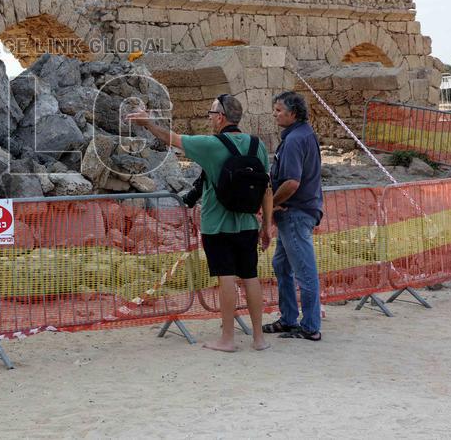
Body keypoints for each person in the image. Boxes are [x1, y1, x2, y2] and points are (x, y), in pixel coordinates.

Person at [127, 94, 273, 352]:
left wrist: (148, 123)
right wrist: (266, 226)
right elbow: (267, 190)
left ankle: (227, 338)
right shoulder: (256, 145)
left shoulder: (211, 145)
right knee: (251, 277)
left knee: (226, 278)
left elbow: (170, 137)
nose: (209, 118)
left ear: (220, 117)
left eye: (210, 113)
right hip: (249, 223)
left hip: (217, 225)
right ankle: (258, 338)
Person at [264, 91, 323, 342]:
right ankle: (289, 318)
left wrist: (271, 205)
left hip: (295, 213)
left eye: (279, 110)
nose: (275, 114)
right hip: (297, 212)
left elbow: (291, 182)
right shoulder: (302, 135)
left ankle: (310, 326)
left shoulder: (295, 140)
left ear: (293, 113)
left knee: (304, 272)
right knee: (281, 265)